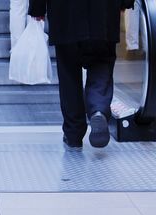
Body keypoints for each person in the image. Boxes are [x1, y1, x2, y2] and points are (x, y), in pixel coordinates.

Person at [28, 0, 135, 148]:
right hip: (103, 12)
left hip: (65, 14)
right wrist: (125, 3)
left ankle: (73, 133)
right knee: (101, 63)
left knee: (68, 72)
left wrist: (37, 8)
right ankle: (98, 109)